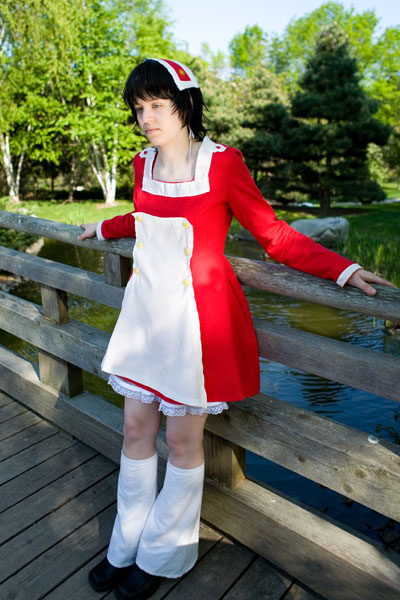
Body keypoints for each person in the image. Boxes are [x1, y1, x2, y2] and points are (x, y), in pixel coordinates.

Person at [78, 58, 396, 600]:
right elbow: (143, 218)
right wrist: (103, 227)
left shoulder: (223, 163)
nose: (147, 118)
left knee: (182, 439)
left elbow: (274, 235)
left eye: (157, 105)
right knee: (134, 431)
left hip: (198, 322)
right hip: (146, 317)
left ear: (186, 104)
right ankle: (125, 546)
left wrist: (343, 269)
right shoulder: (141, 162)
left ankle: (161, 554)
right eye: (139, 108)